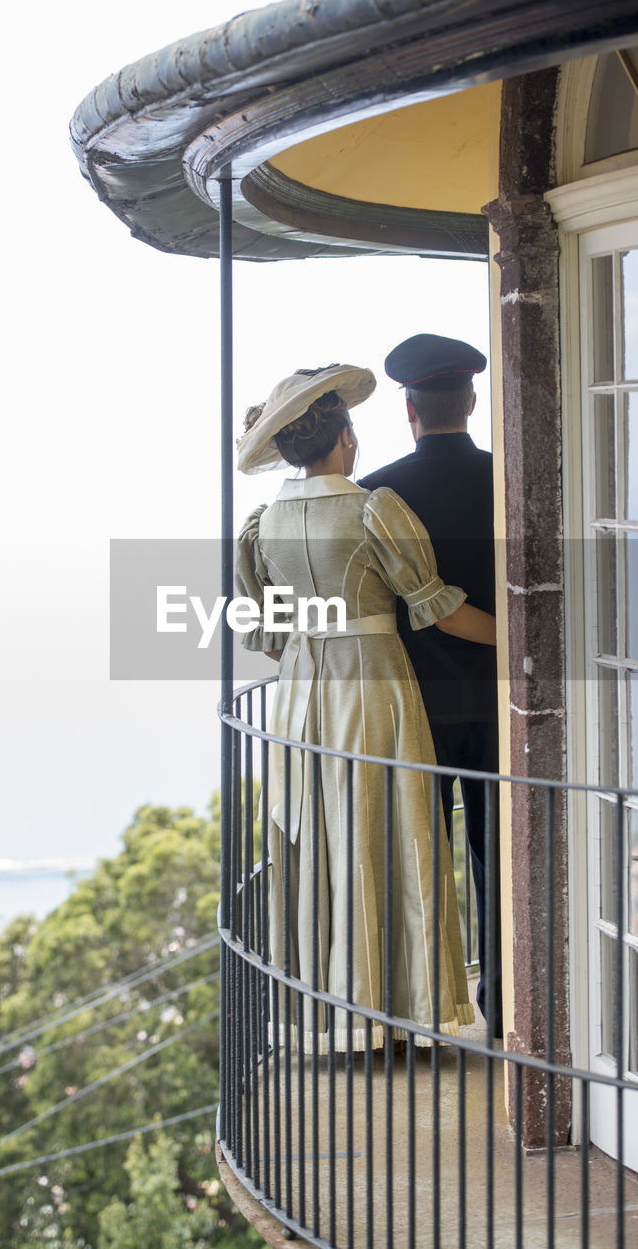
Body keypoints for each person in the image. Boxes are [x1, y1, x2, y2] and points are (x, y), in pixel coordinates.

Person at [235, 363, 496, 1050]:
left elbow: (264, 633)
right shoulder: (372, 507)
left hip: (300, 693)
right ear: (345, 439)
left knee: (322, 840)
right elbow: (437, 609)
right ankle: (405, 1014)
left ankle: (331, 1017)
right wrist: (525, 634)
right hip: (374, 683)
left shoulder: (262, 524)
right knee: (393, 834)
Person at [358, 333, 503, 1038]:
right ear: (470, 401)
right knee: (499, 855)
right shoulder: (511, 477)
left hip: (412, 704)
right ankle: (507, 1009)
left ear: (409, 411)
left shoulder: (375, 495)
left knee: (416, 859)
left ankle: (415, 1012)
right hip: (504, 701)